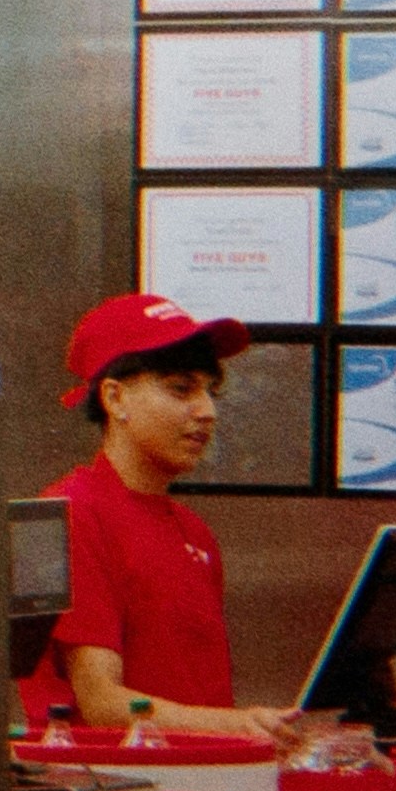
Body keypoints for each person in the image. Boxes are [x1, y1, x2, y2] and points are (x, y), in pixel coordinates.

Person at [35, 291, 298, 745]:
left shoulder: (195, 533)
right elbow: (101, 703)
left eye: (210, 391)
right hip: (114, 782)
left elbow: (203, 701)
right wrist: (238, 726)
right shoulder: (71, 514)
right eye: (181, 389)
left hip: (203, 778)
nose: (207, 411)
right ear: (115, 398)